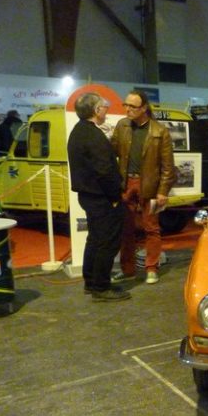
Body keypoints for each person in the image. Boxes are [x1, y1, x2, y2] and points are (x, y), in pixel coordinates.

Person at [66, 92, 129, 301]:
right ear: (96, 110)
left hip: (89, 195)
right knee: (107, 242)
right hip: (101, 197)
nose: (106, 110)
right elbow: (104, 171)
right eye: (104, 106)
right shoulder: (93, 135)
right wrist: (115, 196)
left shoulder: (79, 131)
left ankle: (91, 282)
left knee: (94, 239)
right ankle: (101, 287)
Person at [111, 90, 176, 285]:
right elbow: (112, 152)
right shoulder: (122, 126)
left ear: (144, 108)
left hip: (151, 186)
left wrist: (163, 191)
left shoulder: (160, 131)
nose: (127, 109)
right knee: (126, 228)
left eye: (132, 106)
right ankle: (128, 269)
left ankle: (151, 268)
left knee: (152, 228)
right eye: (126, 105)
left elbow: (168, 166)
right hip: (126, 184)